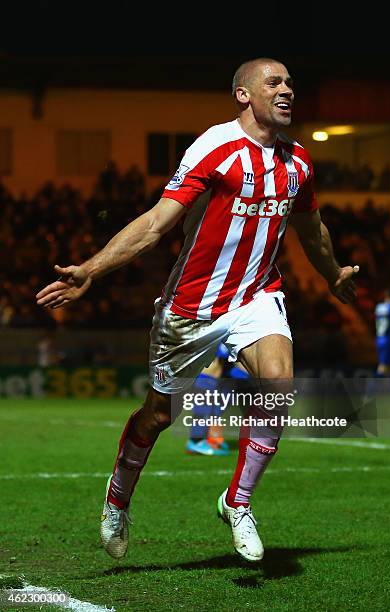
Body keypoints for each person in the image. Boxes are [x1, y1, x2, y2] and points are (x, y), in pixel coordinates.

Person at [36, 57, 359, 563]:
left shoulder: (298, 162)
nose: (287, 89)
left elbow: (311, 228)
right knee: (158, 416)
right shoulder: (215, 146)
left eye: (291, 82)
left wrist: (332, 272)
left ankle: (239, 501)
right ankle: (118, 496)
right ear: (243, 95)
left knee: (278, 385)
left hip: (257, 295)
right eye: (274, 82)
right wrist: (91, 270)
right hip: (192, 306)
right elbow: (154, 224)